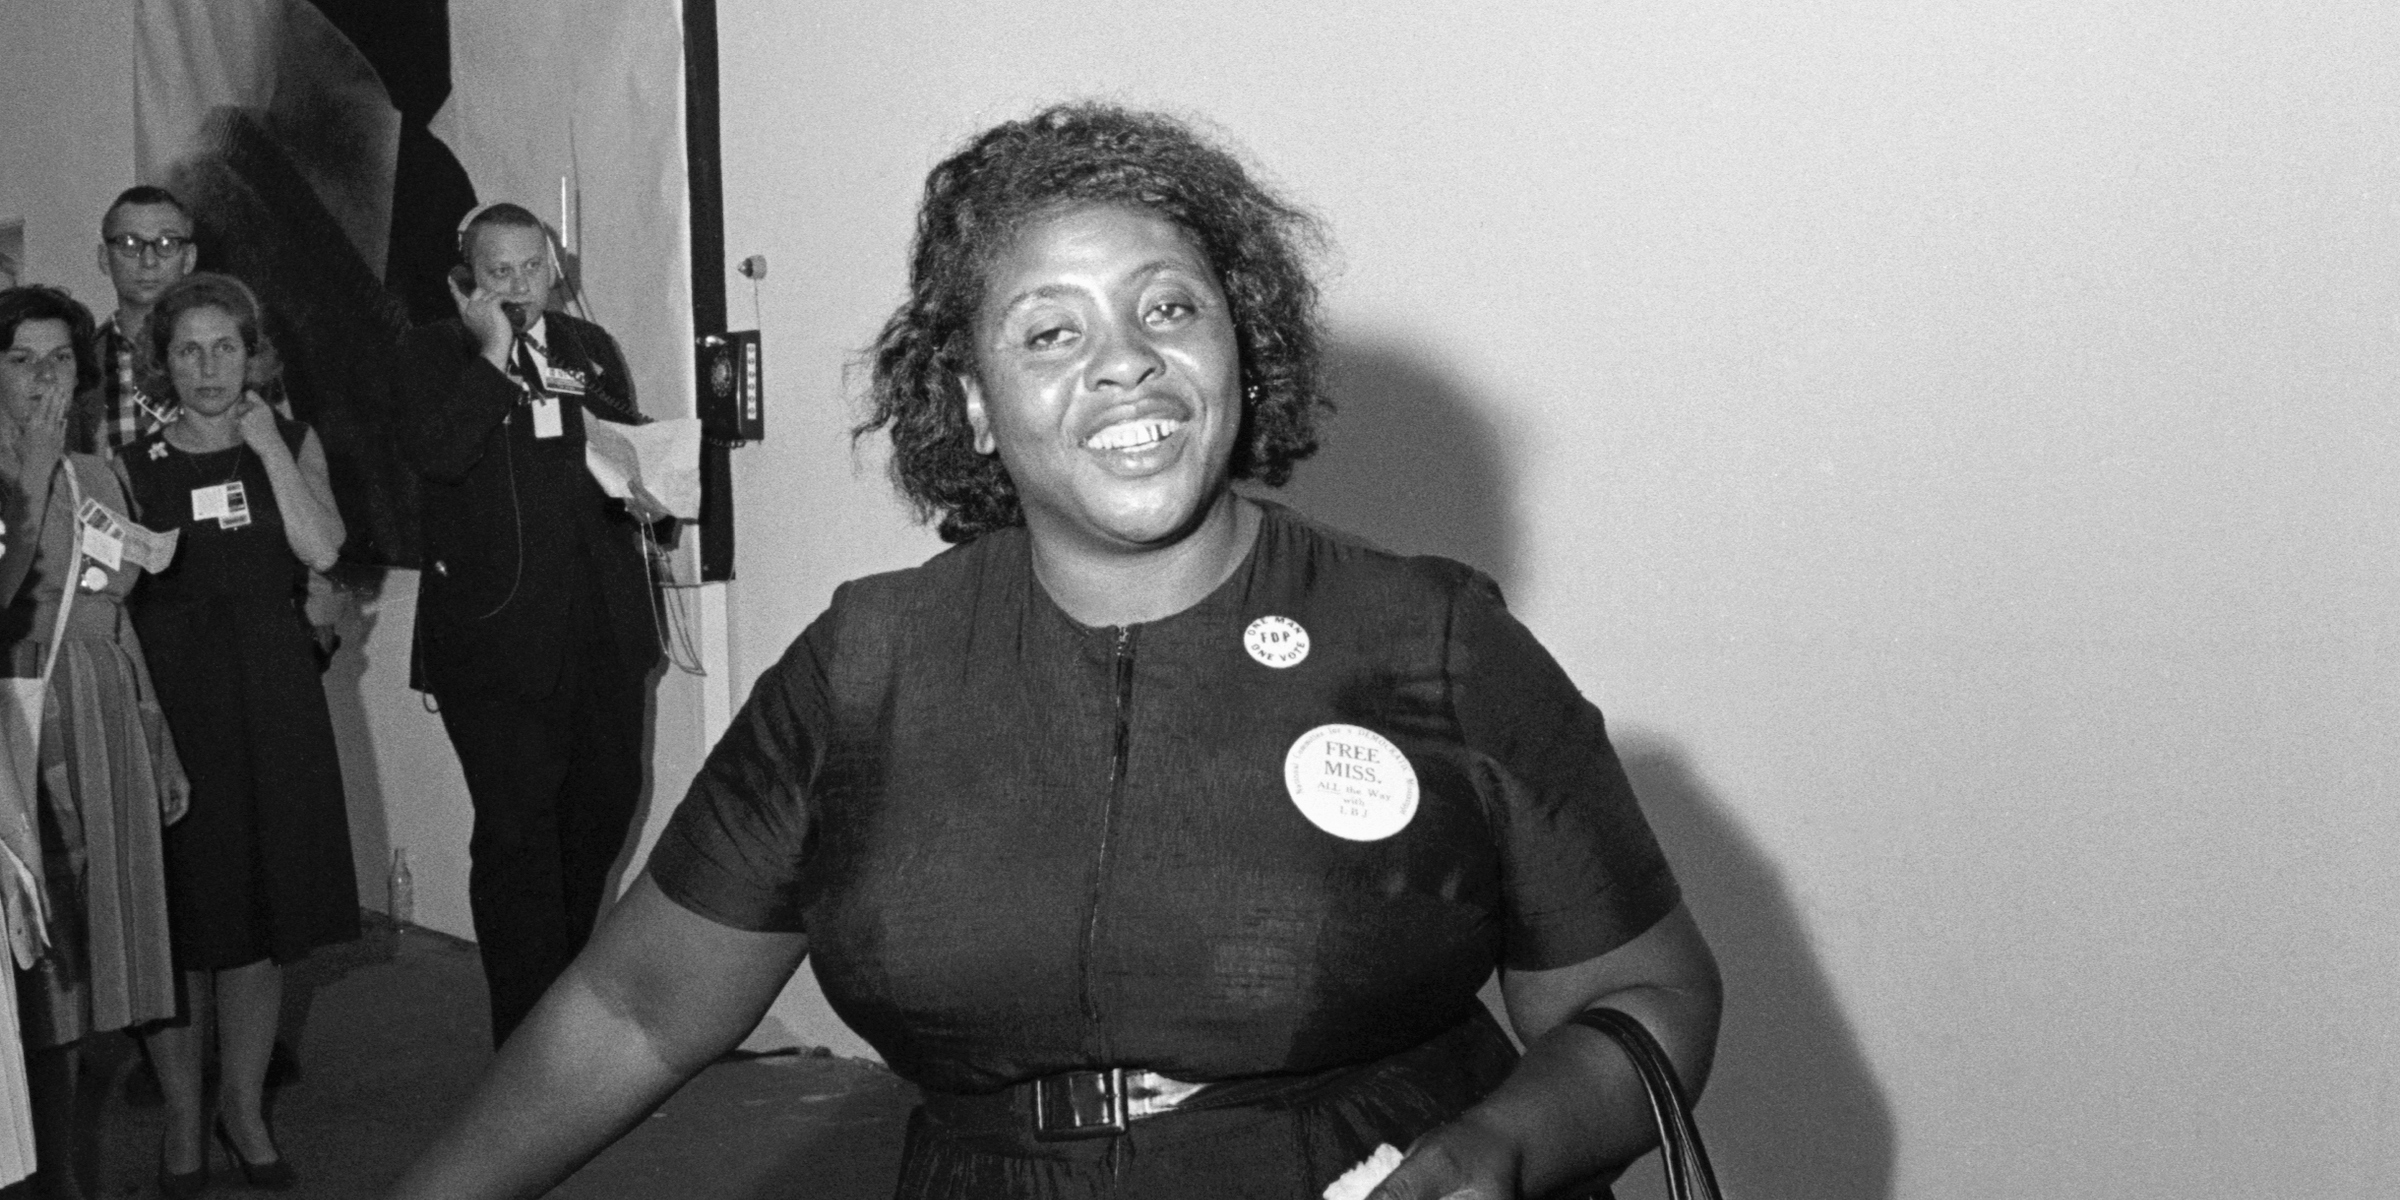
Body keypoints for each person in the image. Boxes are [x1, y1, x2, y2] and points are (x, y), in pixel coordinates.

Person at [389, 103, 1722, 1200]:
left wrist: (1500, 1147)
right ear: (969, 399)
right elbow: (636, 1011)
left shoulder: (1431, 637)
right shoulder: (870, 667)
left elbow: (1650, 994)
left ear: (1240, 350)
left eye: (1170, 310)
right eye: (1050, 331)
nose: (1126, 365)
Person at [395, 203, 664, 1049]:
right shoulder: (429, 353)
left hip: (602, 630)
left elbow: (626, 452)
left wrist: (659, 484)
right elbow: (438, 455)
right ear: (465, 281)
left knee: (605, 806)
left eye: (530, 268)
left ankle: (565, 992)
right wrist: (491, 358)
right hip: (494, 640)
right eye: (497, 271)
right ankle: (527, 1040)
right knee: (517, 835)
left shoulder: (590, 351)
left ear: (555, 269)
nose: (517, 286)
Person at [118, 271, 357, 1195]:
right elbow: (114, 611)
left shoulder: (288, 440)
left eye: (226, 347)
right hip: (174, 706)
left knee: (259, 915)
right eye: (189, 349)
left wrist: (263, 446)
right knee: (181, 919)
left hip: (272, 698)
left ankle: (242, 1107)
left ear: (252, 353)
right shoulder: (133, 468)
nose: (210, 367)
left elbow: (323, 550)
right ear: (163, 361)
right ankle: (183, 1112)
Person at [0, 285, 188, 1200]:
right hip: (19, 726)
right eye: (21, 360)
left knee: (90, 981)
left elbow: (115, 616)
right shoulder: (20, 473)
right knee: (38, 980)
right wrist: (30, 465)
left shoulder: (100, 475)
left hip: (101, 710)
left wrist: (154, 733)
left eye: (61, 359)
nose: (45, 378)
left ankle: (67, 1176)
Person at [74, 186, 196, 457]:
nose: (149, 261)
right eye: (130, 244)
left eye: (167, 244)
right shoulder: (79, 367)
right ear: (104, 259)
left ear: (188, 258)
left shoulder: (233, 353)